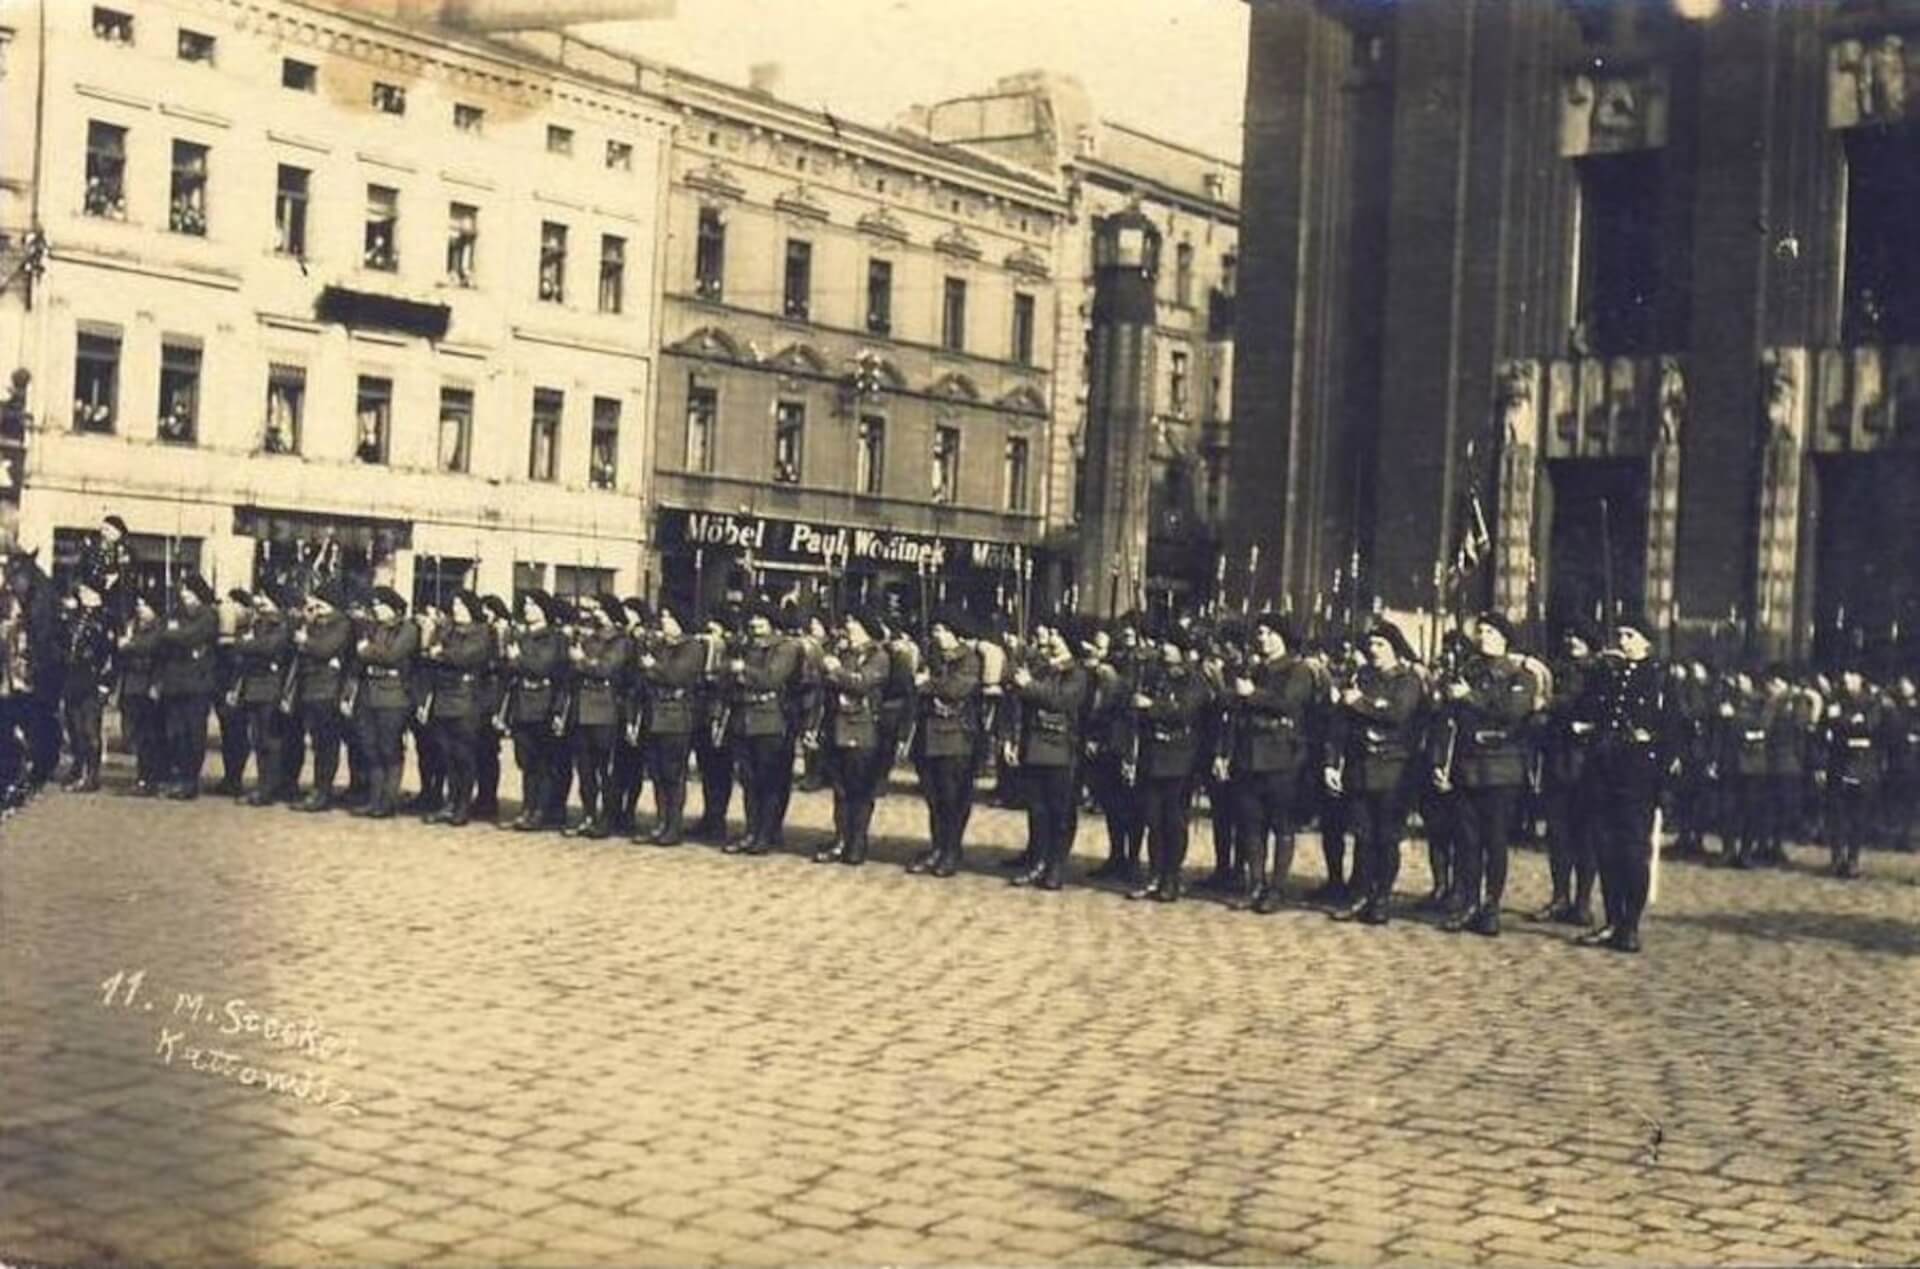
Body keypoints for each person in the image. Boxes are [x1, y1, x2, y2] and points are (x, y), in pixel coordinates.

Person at [1574, 615, 1670, 954]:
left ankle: (1630, 924)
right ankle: (1612, 919)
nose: (1624, 640)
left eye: (1630, 635)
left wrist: (1654, 744)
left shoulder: (1660, 678)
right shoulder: (1611, 675)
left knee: (1632, 852)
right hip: (1605, 771)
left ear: (1646, 641)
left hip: (1638, 777)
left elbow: (1676, 729)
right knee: (1606, 849)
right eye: (1621, 634)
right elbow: (1596, 712)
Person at [1438, 612, 1535, 936]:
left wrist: (1470, 697)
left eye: (1491, 632)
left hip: (1501, 768)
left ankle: (1491, 906)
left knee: (1495, 841)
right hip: (1467, 766)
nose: (1483, 637)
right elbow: (1450, 718)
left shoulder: (1520, 675)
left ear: (1505, 638)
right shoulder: (1468, 670)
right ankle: (1468, 902)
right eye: (1480, 631)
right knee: (1467, 841)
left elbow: (1511, 711)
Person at [1228, 612, 1316, 913]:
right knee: (1251, 825)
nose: (1261, 638)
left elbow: (1289, 702)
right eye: (1259, 633)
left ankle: (1276, 889)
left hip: (1282, 756)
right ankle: (1254, 884)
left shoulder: (1297, 669)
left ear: (1281, 636)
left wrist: (1253, 694)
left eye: (1267, 633)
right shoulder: (1254, 668)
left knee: (1282, 825)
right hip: (1250, 753)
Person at [1128, 626, 1212, 903]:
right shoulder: (1152, 674)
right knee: (1152, 818)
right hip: (1152, 754)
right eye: (1163, 642)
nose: (1164, 648)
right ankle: (1154, 874)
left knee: (1173, 821)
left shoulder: (1195, 679)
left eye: (1171, 644)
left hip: (1180, 756)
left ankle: (1171, 877)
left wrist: (1151, 706)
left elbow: (1185, 711)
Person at [1008, 615, 1091, 890]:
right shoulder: (1042, 668)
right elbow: (1020, 704)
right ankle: (1038, 862)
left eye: (1057, 634)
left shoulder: (1076, 673)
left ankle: (1056, 865)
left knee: (1060, 810)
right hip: (1034, 744)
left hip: (1061, 747)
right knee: (1037, 809)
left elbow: (1063, 701)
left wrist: (1029, 686)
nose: (1050, 639)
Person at [814, 605, 891, 866]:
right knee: (840, 789)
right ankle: (841, 838)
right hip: (837, 727)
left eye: (854, 624)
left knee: (859, 789)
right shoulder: (844, 653)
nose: (849, 629)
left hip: (862, 728)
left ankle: (857, 843)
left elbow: (862, 683)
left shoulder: (877, 656)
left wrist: (836, 671)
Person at [721, 601, 800, 856]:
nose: (755, 624)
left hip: (771, 719)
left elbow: (772, 678)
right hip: (744, 716)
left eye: (761, 619)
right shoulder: (745, 646)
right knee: (748, 780)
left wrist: (744, 672)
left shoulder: (785, 647)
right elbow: (726, 675)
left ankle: (767, 833)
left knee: (770, 780)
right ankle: (751, 831)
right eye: (753, 619)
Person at [908, 608, 981, 878]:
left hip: (956, 737)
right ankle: (938, 847)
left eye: (940, 631)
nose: (935, 636)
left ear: (953, 633)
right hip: (929, 735)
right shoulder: (935, 658)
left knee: (953, 798)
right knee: (934, 797)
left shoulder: (969, 659)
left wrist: (927, 684)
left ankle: (951, 850)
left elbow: (955, 690)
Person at [562, 594, 630, 838]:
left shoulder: (620, 641)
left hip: (604, 708)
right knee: (585, 769)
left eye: (601, 609)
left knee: (606, 769)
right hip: (582, 708)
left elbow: (606, 668)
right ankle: (589, 814)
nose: (596, 614)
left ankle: (607, 818)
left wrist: (582, 662)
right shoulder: (589, 638)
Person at [635, 601, 703, 845]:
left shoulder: (692, 647)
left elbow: (677, 675)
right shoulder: (661, 646)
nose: (664, 622)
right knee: (657, 772)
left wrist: (654, 668)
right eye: (663, 617)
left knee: (673, 773)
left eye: (669, 618)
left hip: (676, 714)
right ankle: (661, 821)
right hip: (655, 713)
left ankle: (673, 826)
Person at [352, 586, 418, 820]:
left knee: (389, 748)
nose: (377, 610)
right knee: (370, 748)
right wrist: (371, 651)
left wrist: (367, 651)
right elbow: (360, 654)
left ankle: (388, 801)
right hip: (369, 693)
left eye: (381, 605)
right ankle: (374, 798)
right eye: (375, 605)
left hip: (394, 695)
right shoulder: (373, 627)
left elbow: (393, 656)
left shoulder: (407, 629)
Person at [505, 590, 568, 831]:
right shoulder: (522, 636)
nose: (528, 609)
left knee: (544, 762)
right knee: (526, 761)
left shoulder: (553, 637)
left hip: (543, 702)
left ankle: (541, 810)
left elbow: (543, 666)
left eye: (534, 605)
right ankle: (527, 808)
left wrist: (518, 660)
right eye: (527, 604)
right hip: (522, 702)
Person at [155, 573, 219, 800]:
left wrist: (172, 634)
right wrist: (172, 634)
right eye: (183, 595)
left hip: (196, 683)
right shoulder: (175, 614)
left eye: (190, 595)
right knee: (176, 734)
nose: (186, 599)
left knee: (193, 734)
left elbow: (190, 636)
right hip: (174, 682)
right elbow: (160, 635)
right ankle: (179, 775)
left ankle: (190, 780)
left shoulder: (208, 615)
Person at [291, 582, 353, 812]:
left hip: (328, 690)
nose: (314, 608)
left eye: (318, 603)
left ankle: (323, 791)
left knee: (327, 744)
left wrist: (306, 642)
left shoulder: (340, 623)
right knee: (317, 743)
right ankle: (318, 788)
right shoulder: (317, 621)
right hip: (312, 687)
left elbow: (326, 648)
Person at [231, 586, 293, 806]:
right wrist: (247, 646)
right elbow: (241, 647)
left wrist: (247, 645)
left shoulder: (282, 624)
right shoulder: (257, 623)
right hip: (254, 685)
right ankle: (262, 784)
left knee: (270, 740)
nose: (260, 604)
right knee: (258, 739)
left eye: (265, 600)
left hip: (271, 686)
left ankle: (269, 787)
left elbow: (269, 647)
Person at [1823, 664, 1885, 879]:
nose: (1846, 679)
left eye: (1850, 675)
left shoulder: (1872, 701)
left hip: (1863, 765)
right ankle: (1836, 857)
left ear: (1860, 678)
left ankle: (1853, 859)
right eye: (1844, 675)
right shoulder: (1836, 699)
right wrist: (1850, 722)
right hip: (1839, 764)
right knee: (1837, 814)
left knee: (1858, 815)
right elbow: (1828, 726)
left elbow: (1871, 727)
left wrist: (1843, 722)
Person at [59, 580, 115, 793]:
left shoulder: (105, 619)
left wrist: (105, 684)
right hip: (74, 680)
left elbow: (110, 656)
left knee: (90, 729)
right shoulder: (76, 617)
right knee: (74, 728)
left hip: (93, 681)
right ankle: (78, 767)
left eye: (86, 590)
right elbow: (67, 644)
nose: (81, 593)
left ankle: (92, 775)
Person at [689, 604, 738, 842]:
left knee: (720, 769)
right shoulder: (706, 647)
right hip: (704, 712)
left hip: (723, 712)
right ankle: (709, 815)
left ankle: (718, 818)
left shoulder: (732, 648)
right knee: (707, 767)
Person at [115, 590, 165, 796]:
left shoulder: (158, 628)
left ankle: (150, 778)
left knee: (149, 736)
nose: (139, 609)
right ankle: (142, 776)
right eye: (138, 604)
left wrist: (129, 645)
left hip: (147, 686)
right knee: (137, 734)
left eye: (144, 605)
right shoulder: (133, 626)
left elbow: (151, 649)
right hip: (132, 685)